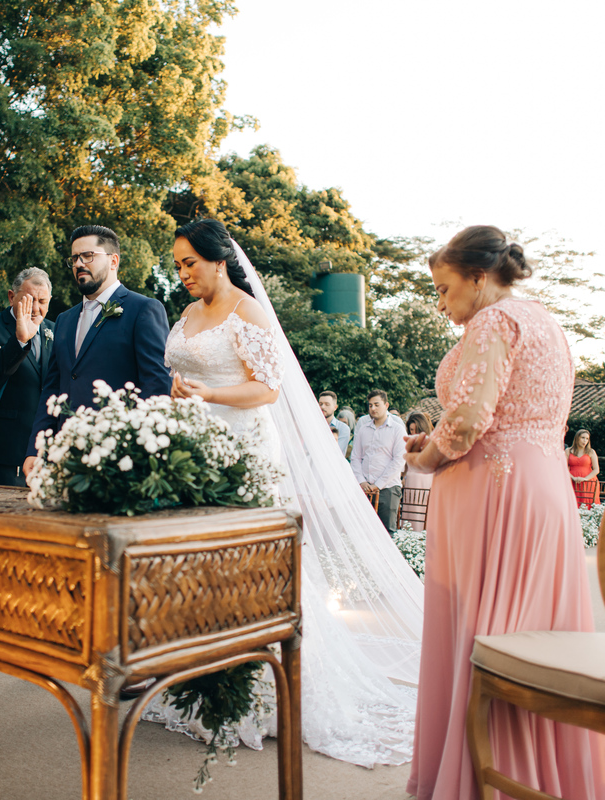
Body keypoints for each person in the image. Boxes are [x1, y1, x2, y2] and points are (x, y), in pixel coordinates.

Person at [143, 218, 423, 767]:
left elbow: (267, 388)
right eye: (177, 265)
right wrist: (182, 395)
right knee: (200, 571)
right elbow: (184, 375)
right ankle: (203, 687)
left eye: (189, 263)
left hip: (246, 452)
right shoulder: (186, 315)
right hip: (196, 455)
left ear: (218, 261)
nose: (182, 275)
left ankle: (262, 693)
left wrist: (209, 392)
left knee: (253, 572)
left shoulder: (247, 312)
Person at [403, 225, 605, 800]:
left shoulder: (493, 321)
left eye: (445, 290)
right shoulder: (545, 321)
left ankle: (481, 782)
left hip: (493, 494)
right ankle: (542, 777)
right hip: (544, 492)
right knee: (538, 640)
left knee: (487, 640)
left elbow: (469, 419)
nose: (442, 305)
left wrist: (426, 457)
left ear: (477, 277)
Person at [22, 225, 172, 477]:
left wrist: (137, 451)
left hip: (119, 456)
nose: (79, 263)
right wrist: (36, 448)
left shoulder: (143, 310)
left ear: (113, 261)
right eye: (74, 258)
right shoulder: (64, 320)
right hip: (66, 456)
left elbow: (156, 387)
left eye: (88, 255)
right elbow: (53, 389)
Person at [0, 268, 54, 486]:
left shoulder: (56, 331)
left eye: (42, 301)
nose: (36, 309)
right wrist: (15, 346)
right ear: (11, 296)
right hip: (2, 451)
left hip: (46, 452)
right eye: (29, 300)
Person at [351, 390, 408, 534]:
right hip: (365, 488)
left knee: (387, 532)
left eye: (377, 405)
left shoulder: (397, 429)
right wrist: (361, 481)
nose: (373, 409)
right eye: (370, 405)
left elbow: (399, 460)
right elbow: (356, 458)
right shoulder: (363, 429)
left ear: (386, 405)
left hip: (388, 488)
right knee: (363, 531)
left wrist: (378, 484)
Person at [400, 411, 434, 530]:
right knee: (410, 510)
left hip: (426, 480)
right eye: (411, 430)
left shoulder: (430, 442)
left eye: (415, 429)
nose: (413, 433)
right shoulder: (407, 443)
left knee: (423, 511)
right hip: (410, 479)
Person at [566, 428, 601, 507]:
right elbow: (563, 468)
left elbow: (596, 469)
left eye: (587, 439)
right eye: (583, 438)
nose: (585, 441)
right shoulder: (568, 451)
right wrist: (572, 478)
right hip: (571, 481)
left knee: (587, 504)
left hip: (588, 482)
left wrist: (585, 478)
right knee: (572, 504)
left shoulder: (591, 452)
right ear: (577, 438)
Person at [318, 390, 350, 454]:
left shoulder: (343, 428)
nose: (322, 407)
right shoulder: (314, 426)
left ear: (335, 407)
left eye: (327, 404)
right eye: (320, 404)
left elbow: (336, 451)